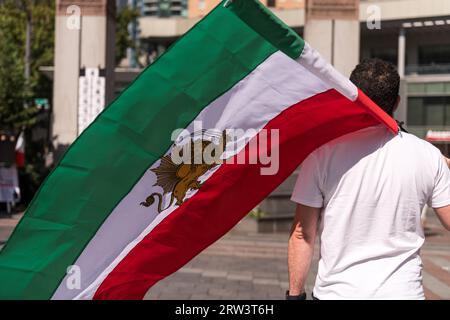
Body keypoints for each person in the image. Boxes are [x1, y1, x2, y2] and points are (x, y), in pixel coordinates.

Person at [286, 59, 450, 300]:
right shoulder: (428, 155)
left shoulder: (322, 153)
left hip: (337, 293)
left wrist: (295, 295)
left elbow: (303, 234)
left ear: (350, 96)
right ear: (397, 103)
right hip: (403, 293)